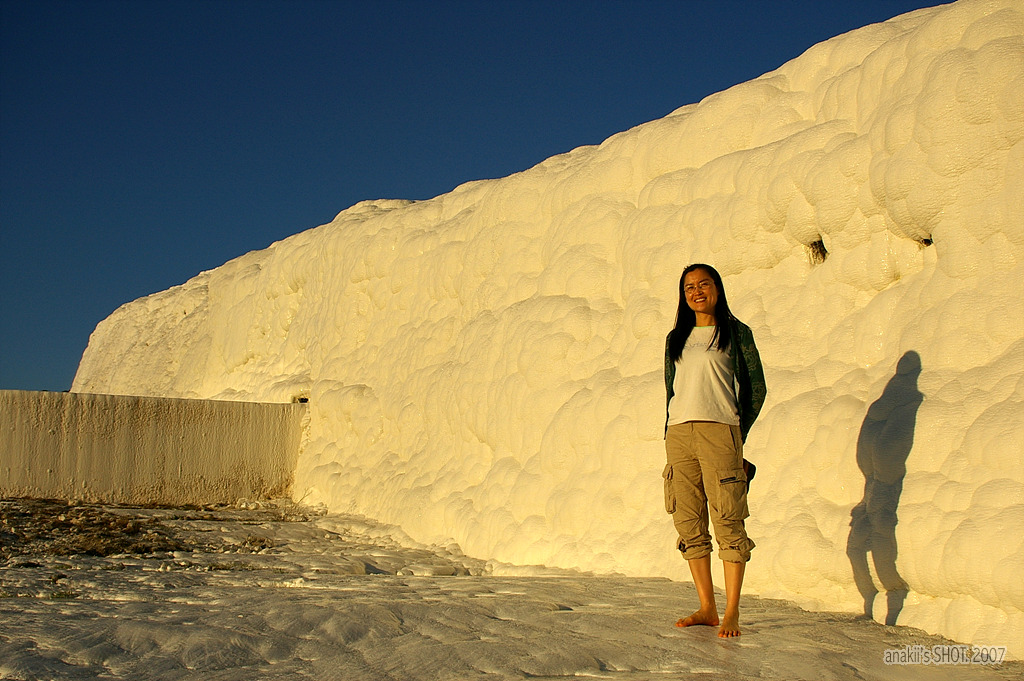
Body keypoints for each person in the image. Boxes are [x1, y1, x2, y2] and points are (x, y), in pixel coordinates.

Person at [663, 263, 766, 637]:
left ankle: (732, 611)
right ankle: (707, 607)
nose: (696, 291)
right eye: (689, 287)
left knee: (728, 518)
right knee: (688, 521)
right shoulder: (676, 337)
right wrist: (669, 429)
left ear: (717, 288)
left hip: (720, 430)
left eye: (703, 284)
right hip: (679, 433)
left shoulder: (736, 333)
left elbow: (756, 388)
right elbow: (671, 389)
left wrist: (736, 433)